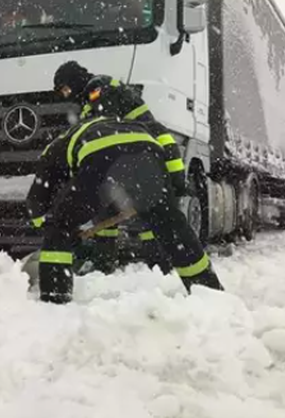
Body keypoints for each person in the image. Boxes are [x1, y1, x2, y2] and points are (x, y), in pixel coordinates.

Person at [25, 114, 223, 303]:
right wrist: (172, 188)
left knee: (60, 225)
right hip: (147, 150)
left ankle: (54, 296)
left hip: (100, 155)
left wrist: (48, 226)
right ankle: (208, 288)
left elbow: (37, 197)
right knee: (171, 226)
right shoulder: (103, 124)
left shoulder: (52, 150)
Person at [53, 61, 184, 272]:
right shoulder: (92, 96)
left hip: (150, 152)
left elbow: (103, 128)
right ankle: (106, 264)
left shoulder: (99, 88)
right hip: (141, 152)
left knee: (151, 213)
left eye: (66, 89)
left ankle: (160, 267)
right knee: (108, 209)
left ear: (74, 80)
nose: (66, 95)